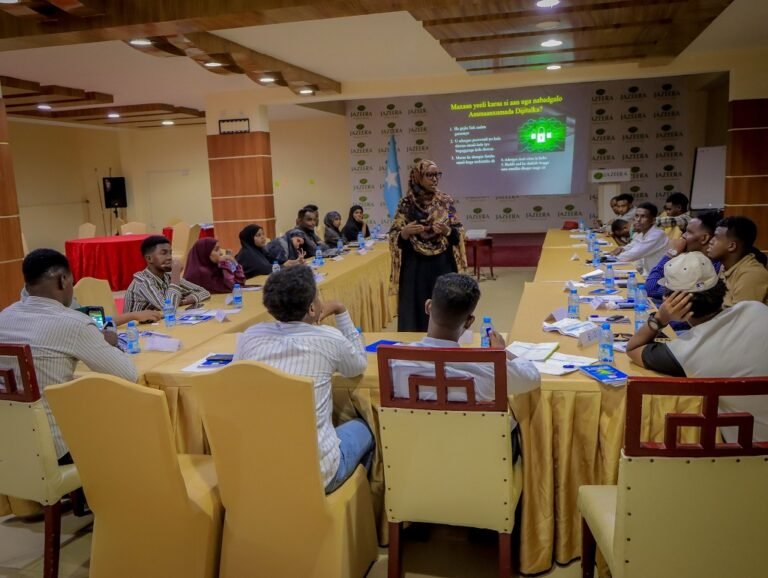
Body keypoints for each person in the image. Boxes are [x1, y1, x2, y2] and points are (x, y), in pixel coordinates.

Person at [235, 266, 371, 494]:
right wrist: (340, 309)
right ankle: (354, 505)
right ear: (312, 307)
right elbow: (358, 366)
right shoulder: (329, 338)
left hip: (260, 466)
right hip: (319, 473)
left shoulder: (251, 336)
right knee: (368, 425)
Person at [0, 249, 137, 462]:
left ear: (26, 285)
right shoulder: (73, 323)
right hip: (54, 447)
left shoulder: (4, 316)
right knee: (124, 426)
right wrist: (104, 341)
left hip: (9, 441)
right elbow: (128, 375)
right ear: (63, 280)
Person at [626, 252, 768, 442]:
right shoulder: (756, 309)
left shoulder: (686, 351)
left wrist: (661, 318)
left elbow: (633, 348)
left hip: (746, 449)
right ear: (720, 287)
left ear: (672, 303)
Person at [389, 273, 540, 411]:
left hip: (412, 438)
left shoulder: (394, 359)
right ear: (469, 322)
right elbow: (532, 376)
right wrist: (501, 352)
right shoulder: (487, 367)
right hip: (471, 439)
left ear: (428, 306)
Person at [389, 160, 467, 332]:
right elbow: (394, 235)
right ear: (418, 176)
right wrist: (405, 232)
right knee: (415, 310)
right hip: (415, 267)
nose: (435, 179)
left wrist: (447, 231)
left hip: (442, 264)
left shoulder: (445, 201)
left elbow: (458, 233)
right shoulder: (406, 204)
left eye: (437, 174)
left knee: (445, 304)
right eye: (429, 175)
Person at [645, 211, 722, 303]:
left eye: (689, 232)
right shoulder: (690, 257)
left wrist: (671, 253)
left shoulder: (713, 266)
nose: (683, 235)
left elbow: (652, 288)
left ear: (704, 238)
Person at [123, 235, 210, 312]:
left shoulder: (167, 276)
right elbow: (169, 308)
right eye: (163, 253)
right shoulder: (143, 281)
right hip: (137, 328)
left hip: (159, 323)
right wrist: (175, 273)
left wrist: (183, 301)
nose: (169, 257)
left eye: (170, 253)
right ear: (149, 259)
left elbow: (204, 292)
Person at [706, 216, 768, 307]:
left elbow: (740, 318)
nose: (710, 241)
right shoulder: (725, 266)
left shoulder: (752, 274)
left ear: (732, 246)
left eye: (716, 237)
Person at [610, 202, 669, 274]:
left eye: (643, 216)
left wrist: (611, 259)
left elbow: (635, 253)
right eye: (636, 216)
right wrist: (622, 248)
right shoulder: (642, 233)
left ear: (653, 220)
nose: (638, 220)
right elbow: (632, 245)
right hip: (646, 272)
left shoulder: (657, 234)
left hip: (657, 276)